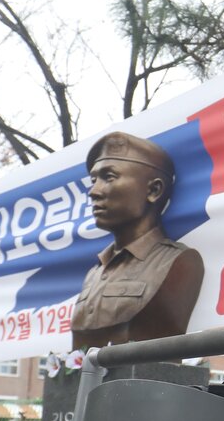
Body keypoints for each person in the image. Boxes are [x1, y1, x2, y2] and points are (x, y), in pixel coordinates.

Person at [71, 131, 204, 350]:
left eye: (109, 177)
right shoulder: (94, 273)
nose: (93, 192)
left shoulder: (178, 262)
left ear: (153, 190)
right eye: (94, 180)